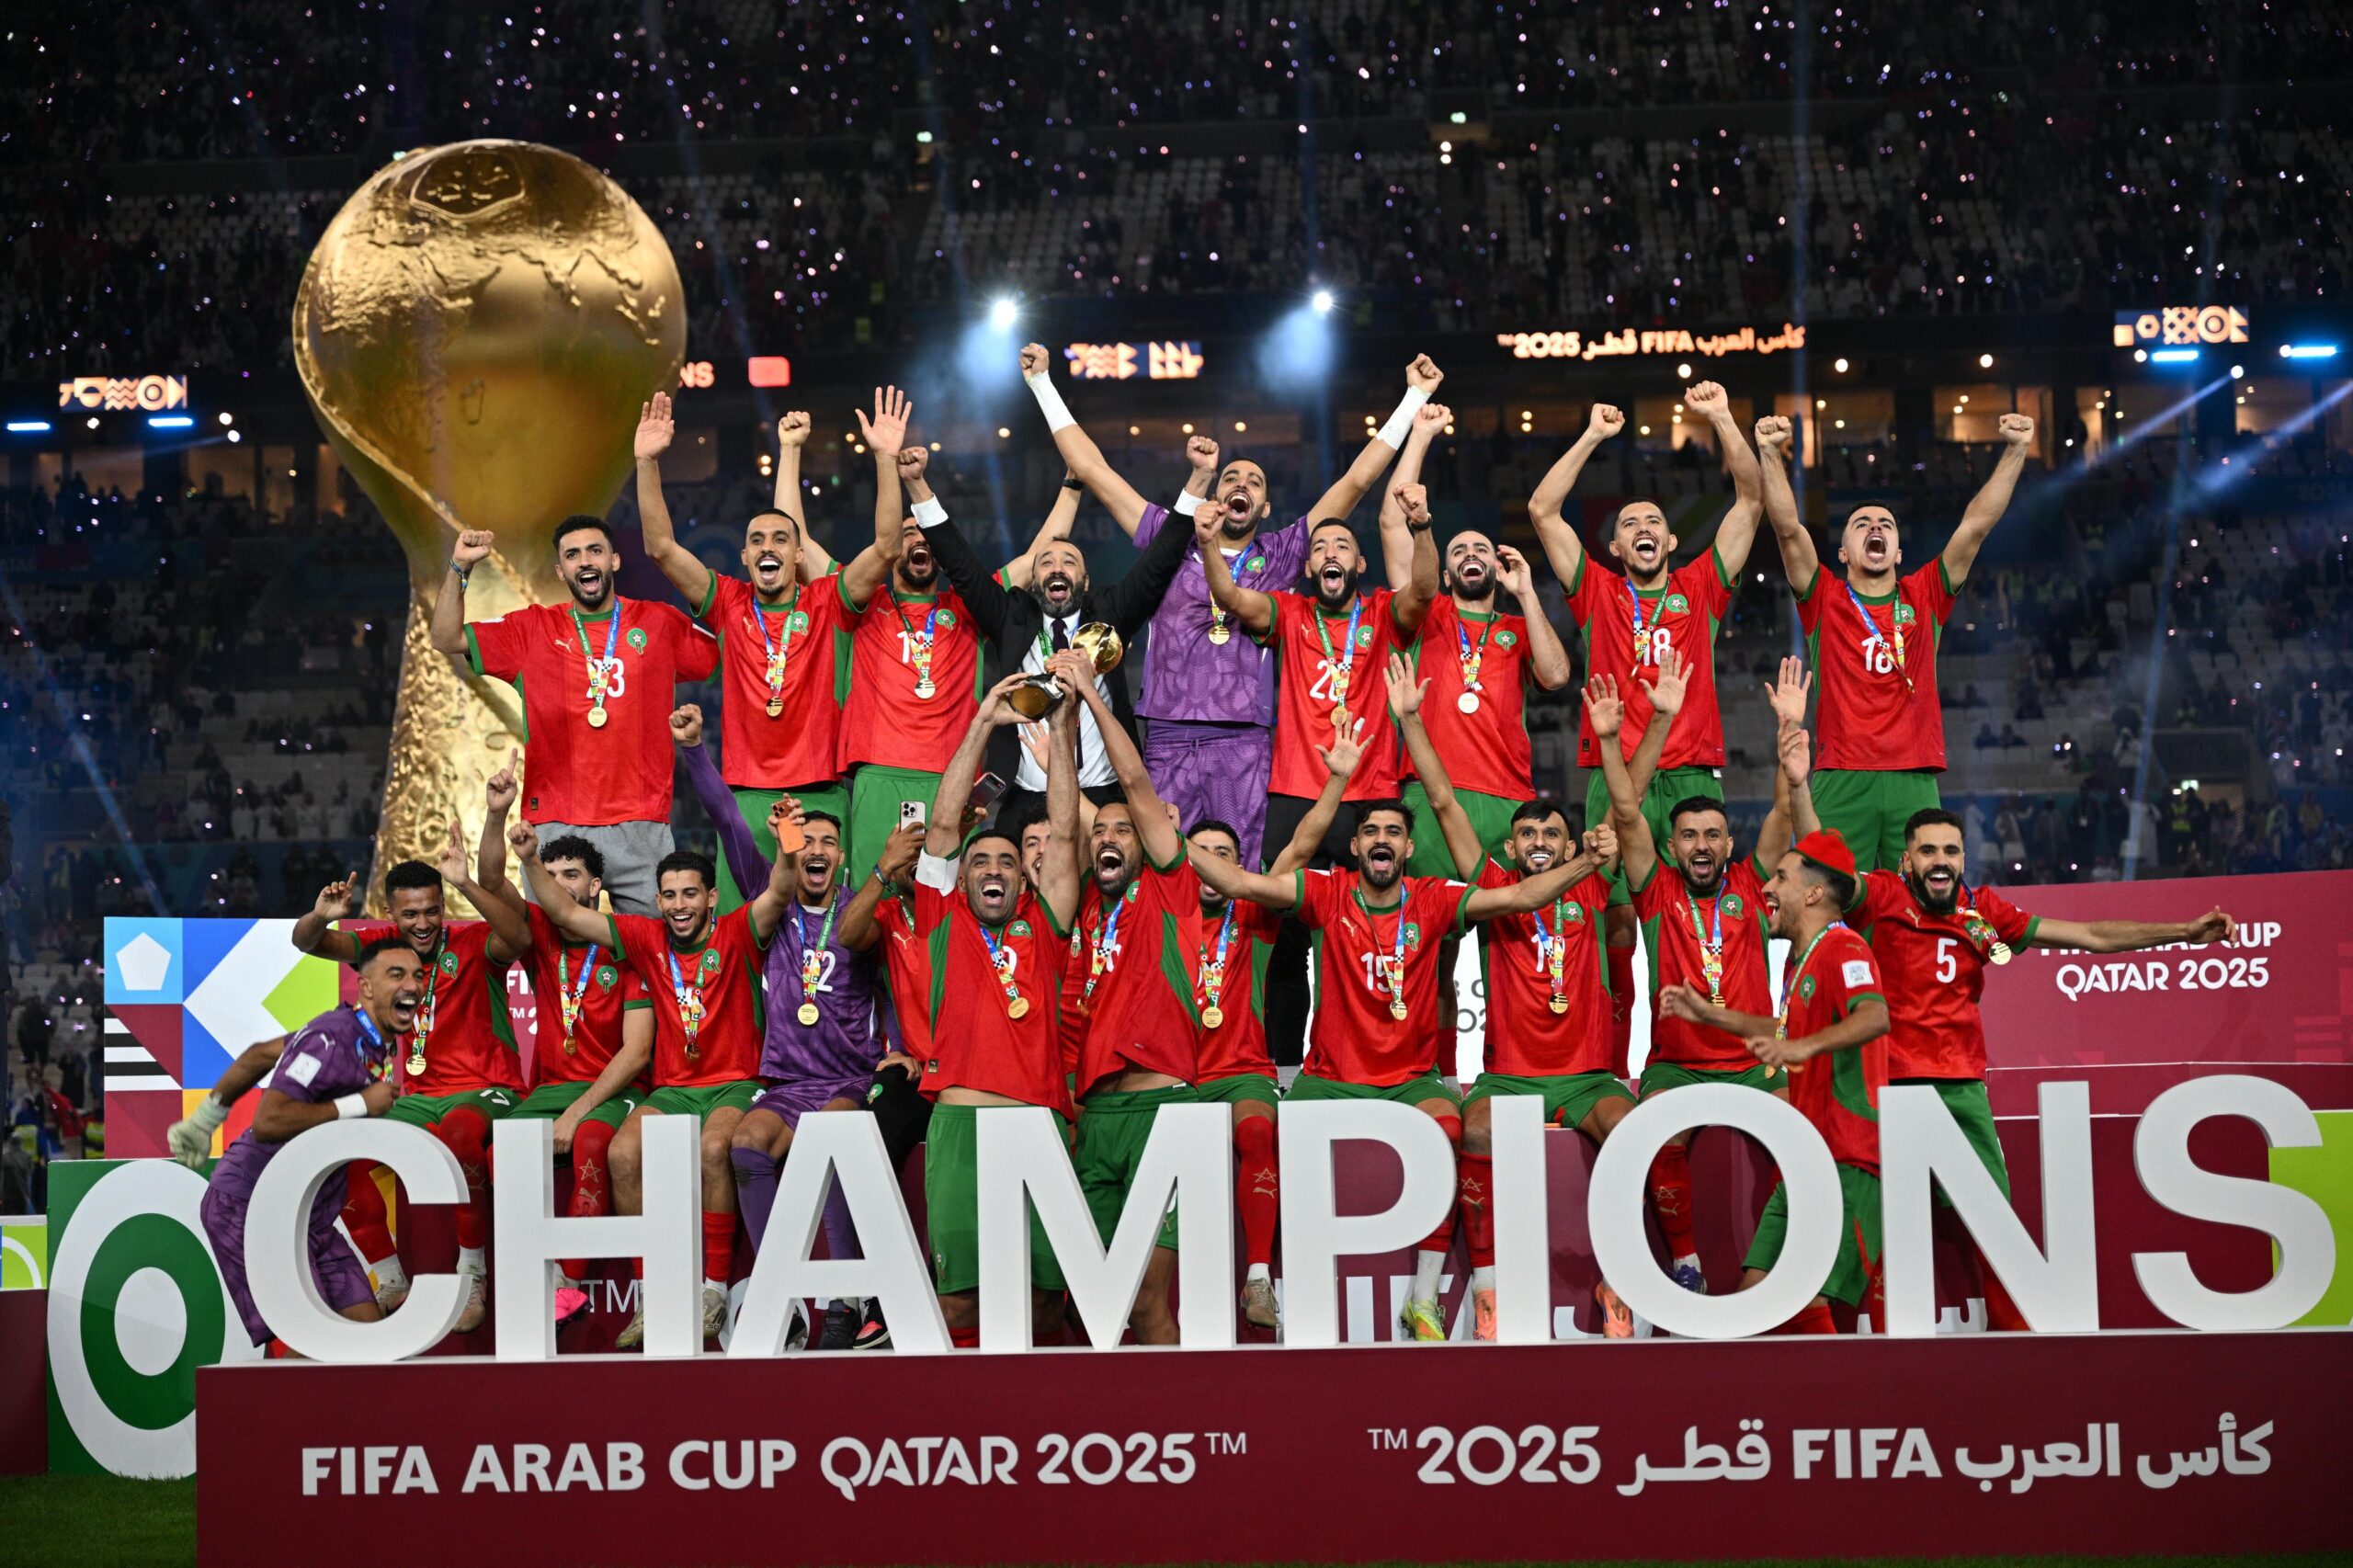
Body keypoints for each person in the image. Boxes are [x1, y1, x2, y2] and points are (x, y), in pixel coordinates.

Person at [1187, 788, 1612, 1342]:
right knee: (1271, 1133)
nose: (1381, 839)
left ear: (1409, 847)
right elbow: (1243, 883)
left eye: (1393, 831)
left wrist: (1585, 864)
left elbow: (1521, 897)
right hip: (1330, 1079)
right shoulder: (1327, 891)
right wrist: (1166, 839)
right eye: (1370, 831)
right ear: (1355, 846)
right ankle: (1264, 1279)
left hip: (1410, 1081)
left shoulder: (1433, 898)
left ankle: (1423, 1298)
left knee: (1452, 1128)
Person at [1029, 345, 1449, 868]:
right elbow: (1093, 469)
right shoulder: (1169, 536)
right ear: (1215, 497)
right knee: (1165, 862)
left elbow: (1356, 482)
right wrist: (1042, 383)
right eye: (1231, 478)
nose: (1240, 484)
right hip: (1168, 731)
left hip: (1244, 738)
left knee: (1243, 867)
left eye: (1254, 481)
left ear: (1265, 508)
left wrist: (1412, 399)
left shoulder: (1284, 554)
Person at [1848, 807, 2237, 1330]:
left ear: (1963, 858)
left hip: (1962, 1091)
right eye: (1928, 851)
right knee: (1876, 1221)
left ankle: (2016, 1340)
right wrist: (1801, 785)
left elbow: (2091, 936)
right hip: (1890, 1089)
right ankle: (1864, 1344)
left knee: (1994, 1228)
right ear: (1906, 859)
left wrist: (2183, 932)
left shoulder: (1983, 910)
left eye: (1951, 851)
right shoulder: (1880, 895)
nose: (1940, 861)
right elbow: (1825, 868)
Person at [1527, 387, 1765, 1075]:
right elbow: (1542, 510)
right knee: (1613, 920)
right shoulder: (1597, 591)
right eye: (1630, 522)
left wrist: (1722, 417)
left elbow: (1751, 500)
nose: (1643, 528)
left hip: (1690, 779)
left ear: (1670, 539)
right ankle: (1607, 1068)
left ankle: (1693, 1052)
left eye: (1654, 520)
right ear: (1615, 544)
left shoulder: (1702, 587)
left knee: (1694, 915)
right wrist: (1591, 436)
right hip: (1616, 777)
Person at [1387, 654, 1625, 1341]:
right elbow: (1442, 802)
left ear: (1570, 845)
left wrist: (1611, 741)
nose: (1540, 842)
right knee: (1473, 1131)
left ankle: (1619, 1279)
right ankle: (1487, 1291)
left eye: (1552, 833)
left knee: (1633, 1132)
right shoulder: (1493, 886)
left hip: (1586, 1077)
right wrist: (1411, 722)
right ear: (1512, 848)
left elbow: (1628, 808)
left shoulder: (1593, 883)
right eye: (1528, 834)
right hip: (1510, 1076)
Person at [514, 800, 800, 1349]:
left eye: (689, 894)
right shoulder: (645, 939)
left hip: (735, 1082)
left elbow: (781, 890)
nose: (678, 905)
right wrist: (529, 861)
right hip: (673, 1091)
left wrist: (787, 834)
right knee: (622, 1153)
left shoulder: (738, 931)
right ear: (657, 901)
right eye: (668, 895)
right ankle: (651, 1296)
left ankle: (713, 1289)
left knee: (715, 1148)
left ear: (711, 898)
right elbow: (568, 914)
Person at [1208, 432, 1443, 1062]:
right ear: (1310, 569)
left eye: (1342, 546)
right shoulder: (1288, 612)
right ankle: (1285, 1068)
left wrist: (1422, 528)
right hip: (1295, 794)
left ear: (1359, 565)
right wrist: (1206, 545)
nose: (1329, 553)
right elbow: (1230, 598)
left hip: (1371, 798)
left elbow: (1425, 590)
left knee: (1375, 933)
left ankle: (1378, 1061)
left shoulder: (1384, 612)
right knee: (1285, 943)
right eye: (1319, 548)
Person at [673, 703, 897, 1353]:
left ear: (841, 858)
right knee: (745, 1146)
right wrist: (695, 751)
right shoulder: (768, 902)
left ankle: (846, 1299)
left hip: (848, 1078)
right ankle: (783, 1295)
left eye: (828, 843)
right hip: (788, 1083)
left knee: (834, 1139)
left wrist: (904, 1048)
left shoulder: (860, 909)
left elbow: (892, 986)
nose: (817, 851)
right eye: (809, 842)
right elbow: (725, 818)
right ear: (794, 853)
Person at [1595, 649, 1813, 1302]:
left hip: (1754, 1062)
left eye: (1713, 835)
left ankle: (1780, 1266)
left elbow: (1782, 815)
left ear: (1728, 844)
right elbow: (1626, 813)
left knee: (1809, 1142)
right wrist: (1613, 740)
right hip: (1678, 1066)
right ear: (1673, 847)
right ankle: (1686, 1262)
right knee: (1652, 1141)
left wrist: (1788, 733)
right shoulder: (1656, 890)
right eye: (1688, 836)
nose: (1701, 846)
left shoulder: (1752, 883)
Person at [875, 672, 1083, 1347]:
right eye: (980, 861)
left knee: (1046, 1305)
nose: (993, 868)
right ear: (960, 880)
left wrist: (1063, 727)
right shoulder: (943, 922)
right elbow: (942, 825)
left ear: (1024, 877)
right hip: (961, 1125)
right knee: (960, 1306)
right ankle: (970, 1409)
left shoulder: (1046, 923)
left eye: (1006, 861)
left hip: (1038, 1121)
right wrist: (985, 719)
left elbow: (1065, 835)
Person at [631, 392, 894, 910]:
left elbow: (886, 547)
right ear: (745, 555)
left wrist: (884, 457)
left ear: (798, 555)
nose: (767, 546)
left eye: (779, 539)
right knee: (744, 931)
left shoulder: (828, 602)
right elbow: (661, 547)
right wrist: (646, 463)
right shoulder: (728, 603)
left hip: (819, 795)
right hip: (748, 798)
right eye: (756, 540)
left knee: (823, 929)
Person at [1760, 410, 2036, 869]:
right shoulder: (1824, 598)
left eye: (1885, 524)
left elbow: (1975, 526)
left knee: (1916, 899)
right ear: (1843, 552)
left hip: (1913, 774)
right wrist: (1771, 454)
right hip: (1842, 773)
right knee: (1833, 892)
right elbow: (1788, 530)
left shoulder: (1924, 594)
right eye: (1862, 523)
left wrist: (2017, 450)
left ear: (1898, 552)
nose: (1875, 527)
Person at [289, 833, 526, 1334]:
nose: (422, 924)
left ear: (443, 907)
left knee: (460, 1135)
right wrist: (320, 916)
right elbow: (307, 942)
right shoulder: (381, 950)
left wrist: (467, 884)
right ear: (391, 915)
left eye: (432, 911)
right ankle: (390, 1275)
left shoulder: (474, 943)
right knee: (340, 1142)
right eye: (410, 914)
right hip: (417, 1099)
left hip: (488, 1089)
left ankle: (473, 1273)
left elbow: (521, 938)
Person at [915, 403, 1194, 824]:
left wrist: (1196, 484)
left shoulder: (1110, 614)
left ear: (1085, 580)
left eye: (1069, 562)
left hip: (1104, 797)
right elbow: (962, 567)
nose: (1057, 568)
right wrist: (918, 486)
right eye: (1046, 562)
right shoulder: (1011, 616)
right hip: (1028, 798)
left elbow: (1159, 563)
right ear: (1033, 581)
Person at [430, 511, 719, 915]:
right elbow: (445, 637)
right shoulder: (532, 629)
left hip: (642, 822)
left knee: (651, 947)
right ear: (560, 570)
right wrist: (459, 568)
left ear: (614, 560)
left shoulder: (659, 623)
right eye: (572, 555)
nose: (585, 561)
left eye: (595, 551)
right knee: (556, 948)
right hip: (555, 823)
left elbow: (728, 647)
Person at [1658, 829, 1889, 1334]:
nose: (1766, 886)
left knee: (1804, 1304)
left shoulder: (1845, 947)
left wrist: (1802, 1049)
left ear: (1814, 893)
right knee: (1754, 1303)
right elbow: (1783, 1029)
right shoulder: (1800, 960)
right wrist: (1710, 1015)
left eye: (1781, 878)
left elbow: (1874, 1016)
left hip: (1846, 1160)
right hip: (1803, 1159)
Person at [1181, 730, 1359, 1335]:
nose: (1211, 863)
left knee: (1259, 1133)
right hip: (1172, 1074)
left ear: (1238, 868)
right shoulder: (1158, 912)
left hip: (1240, 1073)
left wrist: (1337, 780)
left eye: (1223, 854)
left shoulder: (1255, 912)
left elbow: (1303, 843)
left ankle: (1258, 1276)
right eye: (1199, 852)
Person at [472, 753, 655, 1328]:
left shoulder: (630, 944)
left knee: (593, 1142)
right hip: (550, 1090)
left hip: (615, 1090)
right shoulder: (539, 938)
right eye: (549, 876)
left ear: (596, 885)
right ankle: (522, 1271)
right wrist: (496, 816)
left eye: (570, 875)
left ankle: (567, 1283)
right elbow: (491, 881)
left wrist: (579, 1111)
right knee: (498, 1156)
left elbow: (637, 1053)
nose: (558, 885)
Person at [198, 937, 415, 1355]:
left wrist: (203, 1119)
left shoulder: (370, 1040)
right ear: (366, 986)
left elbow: (261, 1054)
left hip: (308, 1217)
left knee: (368, 1337)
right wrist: (359, 1104)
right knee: (303, 1342)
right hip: (251, 1208)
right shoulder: (333, 1036)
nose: (411, 984)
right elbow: (268, 1122)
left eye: (417, 975)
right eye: (396, 974)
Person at [832, 392, 987, 888]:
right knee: (872, 902)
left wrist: (1073, 483)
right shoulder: (861, 603)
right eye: (908, 533)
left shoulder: (968, 608)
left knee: (946, 904)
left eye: (928, 535)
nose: (920, 540)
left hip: (951, 773)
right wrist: (791, 453)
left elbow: (1038, 559)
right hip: (878, 770)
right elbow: (799, 548)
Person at [1402, 530, 1573, 875]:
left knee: (1513, 908)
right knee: (1434, 906)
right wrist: (1420, 523)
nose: (1470, 553)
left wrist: (1526, 594)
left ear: (1496, 567)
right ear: (1445, 575)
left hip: (1507, 793)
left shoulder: (1519, 628)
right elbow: (1395, 539)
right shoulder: (1426, 616)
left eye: (1481, 548)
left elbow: (1556, 675)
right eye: (1459, 550)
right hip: (1432, 792)